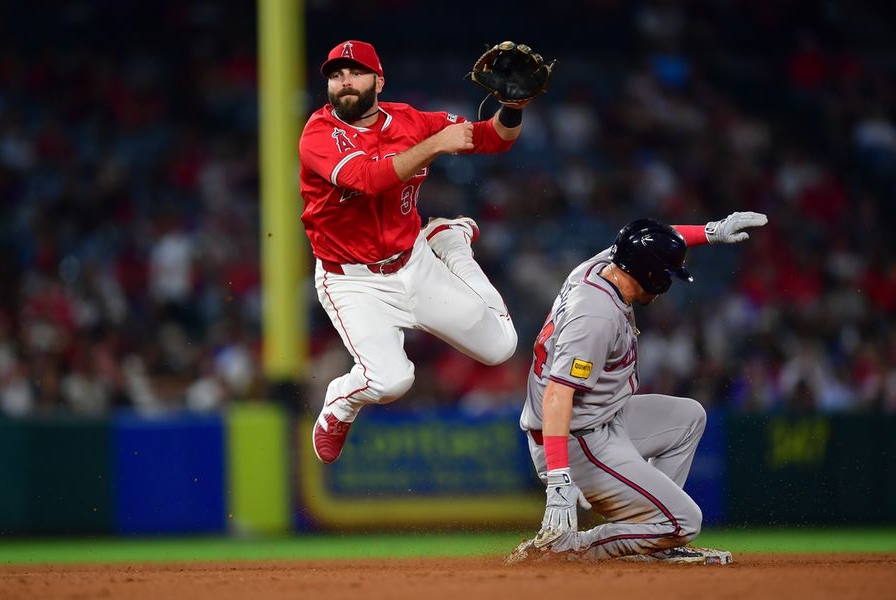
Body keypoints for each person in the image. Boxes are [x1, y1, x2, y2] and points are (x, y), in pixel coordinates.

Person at [299, 40, 532, 463]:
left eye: (355, 72)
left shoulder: (408, 120)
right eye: (336, 75)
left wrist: (512, 107)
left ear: (379, 80)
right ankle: (340, 403)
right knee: (391, 382)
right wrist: (436, 143)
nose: (345, 82)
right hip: (354, 282)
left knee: (500, 348)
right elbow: (369, 179)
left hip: (414, 261)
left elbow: (490, 139)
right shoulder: (318, 133)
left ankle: (448, 242)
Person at [507, 212, 768, 565]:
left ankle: (651, 538)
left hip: (604, 420)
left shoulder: (608, 263)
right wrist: (559, 479)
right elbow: (558, 394)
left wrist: (710, 233)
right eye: (667, 275)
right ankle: (571, 548)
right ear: (652, 276)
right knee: (684, 521)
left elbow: (655, 239)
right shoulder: (596, 316)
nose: (668, 283)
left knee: (688, 417)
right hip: (576, 440)